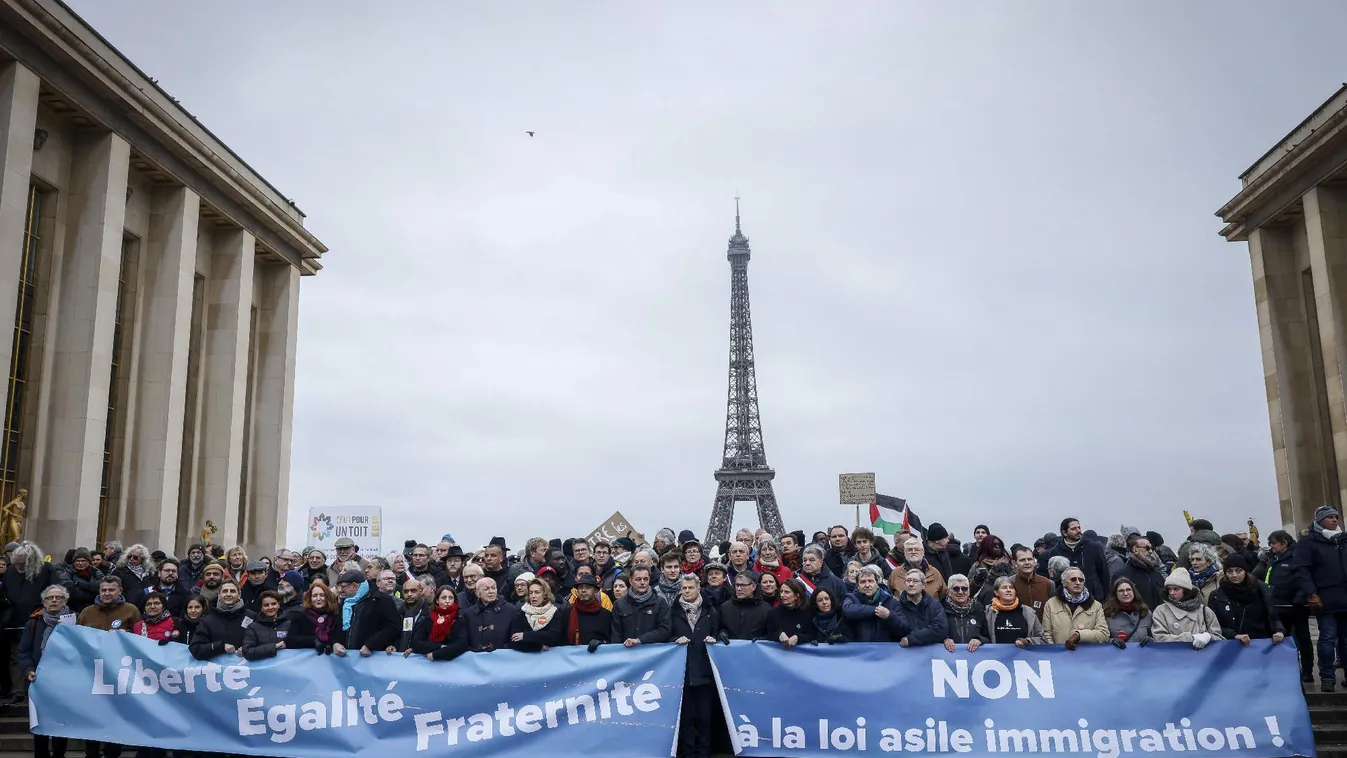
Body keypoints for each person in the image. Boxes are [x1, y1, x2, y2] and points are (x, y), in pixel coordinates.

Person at [19, 585, 72, 758]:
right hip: (39, 681)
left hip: (65, 682)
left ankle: (59, 754)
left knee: (60, 725)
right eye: (50, 598)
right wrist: (28, 670)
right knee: (39, 725)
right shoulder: (33, 622)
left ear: (65, 601)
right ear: (43, 602)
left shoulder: (74, 621)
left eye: (58, 597)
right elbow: (23, 651)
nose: (54, 600)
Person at [671, 573, 720, 758]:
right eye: (684, 588)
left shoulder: (711, 611)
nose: (687, 591)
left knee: (704, 719)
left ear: (698, 588)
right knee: (685, 720)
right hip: (682, 674)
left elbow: (719, 631)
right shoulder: (673, 611)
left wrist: (715, 638)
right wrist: (674, 639)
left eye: (691, 587)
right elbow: (666, 634)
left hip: (705, 673)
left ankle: (703, 754)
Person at [1258, 529, 1312, 682]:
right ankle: (1286, 669)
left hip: (1295, 607)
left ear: (1284, 543)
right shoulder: (1273, 559)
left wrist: (1298, 600)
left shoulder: (1296, 558)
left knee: (1302, 639)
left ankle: (1307, 671)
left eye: (1274, 543)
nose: (1271, 546)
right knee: (1281, 640)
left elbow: (1303, 580)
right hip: (1277, 606)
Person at [1208, 553, 1285, 648]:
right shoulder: (1217, 595)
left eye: (1238, 571)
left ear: (1245, 571)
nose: (1234, 575)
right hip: (1232, 645)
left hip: (1262, 642)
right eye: (1230, 571)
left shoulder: (1261, 590)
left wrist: (1279, 631)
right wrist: (1233, 635)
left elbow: (1273, 616)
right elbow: (1213, 625)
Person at [1151, 567, 1225, 651]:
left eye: (1176, 589)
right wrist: (1190, 638)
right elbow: (1159, 638)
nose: (1172, 593)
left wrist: (1208, 637)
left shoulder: (1204, 611)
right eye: (1169, 589)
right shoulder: (1161, 611)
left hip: (1202, 658)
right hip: (1172, 658)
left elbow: (1219, 638)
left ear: (1185, 590)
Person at [1036, 518, 1110, 599]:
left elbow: (1104, 573)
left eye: (1079, 527)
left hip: (1093, 597)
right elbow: (1053, 578)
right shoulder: (1055, 552)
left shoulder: (1094, 548)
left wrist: (1105, 596)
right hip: (1067, 599)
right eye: (1073, 529)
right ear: (1064, 532)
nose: (1078, 530)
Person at [1041, 568, 1108, 648]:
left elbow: (1104, 634)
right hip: (1059, 657)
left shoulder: (1096, 605)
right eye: (1073, 579)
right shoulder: (1051, 604)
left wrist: (1079, 635)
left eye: (1081, 580)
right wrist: (1055, 653)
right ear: (1064, 583)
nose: (1078, 582)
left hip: (1086, 657)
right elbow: (1046, 634)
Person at [190, 579, 255, 660]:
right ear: (219, 595)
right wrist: (220, 646)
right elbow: (195, 648)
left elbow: (262, 642)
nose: (228, 594)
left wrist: (249, 648)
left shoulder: (252, 616)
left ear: (239, 595)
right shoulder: (207, 620)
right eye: (225, 591)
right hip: (217, 670)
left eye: (232, 591)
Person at [842, 565, 908, 642]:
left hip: (884, 651)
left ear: (877, 583)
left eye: (870, 581)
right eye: (863, 582)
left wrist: (889, 616)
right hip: (858, 652)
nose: (867, 585)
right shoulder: (851, 598)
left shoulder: (891, 602)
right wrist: (876, 610)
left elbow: (904, 629)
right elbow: (847, 610)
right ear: (858, 585)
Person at [611, 565, 671, 647]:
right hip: (626, 653)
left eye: (646, 579)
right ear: (631, 581)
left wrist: (640, 640)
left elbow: (665, 630)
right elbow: (616, 635)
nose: (642, 582)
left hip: (652, 654)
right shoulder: (619, 604)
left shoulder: (660, 602)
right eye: (638, 579)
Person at [463, 575, 524, 652]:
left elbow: (515, 641)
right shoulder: (469, 614)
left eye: (493, 588)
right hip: (476, 661)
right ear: (478, 593)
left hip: (503, 659)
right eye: (486, 589)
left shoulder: (512, 611)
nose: (491, 591)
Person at [410, 585, 468, 661]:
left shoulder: (459, 619)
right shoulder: (427, 619)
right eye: (444, 598)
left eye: (450, 598)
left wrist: (436, 654)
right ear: (437, 600)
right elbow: (417, 643)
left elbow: (462, 644)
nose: (447, 601)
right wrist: (439, 647)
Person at [986, 576, 1046, 647]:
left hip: (1023, 656)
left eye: (1011, 588)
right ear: (996, 592)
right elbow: (982, 637)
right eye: (1004, 588)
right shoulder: (988, 612)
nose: (1008, 590)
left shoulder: (1028, 612)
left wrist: (1027, 641)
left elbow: (1042, 639)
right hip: (996, 656)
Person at [895, 568, 949, 648]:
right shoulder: (896, 605)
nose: (911, 584)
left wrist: (912, 639)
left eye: (915, 581)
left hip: (929, 654)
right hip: (902, 653)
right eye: (908, 581)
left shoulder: (934, 605)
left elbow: (940, 629)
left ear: (924, 585)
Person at [513, 578, 565, 651]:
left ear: (545, 594)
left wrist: (525, 636)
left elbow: (553, 637)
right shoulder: (521, 612)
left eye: (537, 592)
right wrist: (539, 647)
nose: (533, 596)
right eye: (531, 593)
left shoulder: (555, 612)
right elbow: (515, 640)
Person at [287, 583, 339, 653]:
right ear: (310, 598)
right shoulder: (300, 616)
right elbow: (290, 640)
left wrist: (332, 643)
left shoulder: (335, 615)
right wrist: (314, 640)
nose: (318, 599)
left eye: (322, 595)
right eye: (314, 596)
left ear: (327, 597)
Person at [943, 574, 989, 652]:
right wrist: (944, 639)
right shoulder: (941, 608)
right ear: (949, 592)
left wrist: (979, 640)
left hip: (974, 657)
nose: (961, 592)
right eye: (956, 589)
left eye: (964, 589)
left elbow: (987, 636)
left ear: (969, 591)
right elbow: (933, 634)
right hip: (948, 657)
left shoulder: (978, 609)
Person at [1103, 577, 1152, 648]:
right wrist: (1111, 641)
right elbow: (1102, 638)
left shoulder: (1145, 612)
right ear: (1115, 594)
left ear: (1133, 592)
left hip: (1142, 655)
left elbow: (1154, 636)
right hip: (1118, 656)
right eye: (1121, 591)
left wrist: (1151, 640)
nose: (1125, 593)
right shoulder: (1107, 614)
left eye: (1128, 590)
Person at [720, 570, 769, 641]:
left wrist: (761, 640)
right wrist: (721, 633)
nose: (739, 589)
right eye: (737, 585)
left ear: (753, 587)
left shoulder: (766, 609)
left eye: (743, 585)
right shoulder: (725, 607)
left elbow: (771, 633)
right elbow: (717, 629)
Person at [242, 590, 291, 660]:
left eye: (273, 604)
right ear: (261, 608)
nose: (270, 607)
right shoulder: (253, 627)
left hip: (286, 668)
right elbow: (247, 652)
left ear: (279, 605)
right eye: (266, 605)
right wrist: (274, 647)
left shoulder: (289, 624)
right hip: (263, 669)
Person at [568, 574, 613, 649]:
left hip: (596, 657)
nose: (583, 590)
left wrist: (600, 643)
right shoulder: (568, 612)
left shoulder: (606, 615)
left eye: (588, 587)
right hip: (572, 657)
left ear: (596, 591)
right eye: (580, 587)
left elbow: (611, 641)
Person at [1008, 545, 1053, 619]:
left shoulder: (1047, 583)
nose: (1027, 562)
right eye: (1022, 560)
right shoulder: (1009, 583)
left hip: (1043, 628)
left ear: (1034, 561)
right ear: (1015, 563)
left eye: (1030, 559)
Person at [767, 578, 813, 648]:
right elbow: (768, 634)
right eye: (781, 591)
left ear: (796, 595)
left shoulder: (807, 612)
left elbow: (812, 634)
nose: (782, 595)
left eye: (787, 592)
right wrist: (778, 634)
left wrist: (798, 638)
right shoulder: (773, 613)